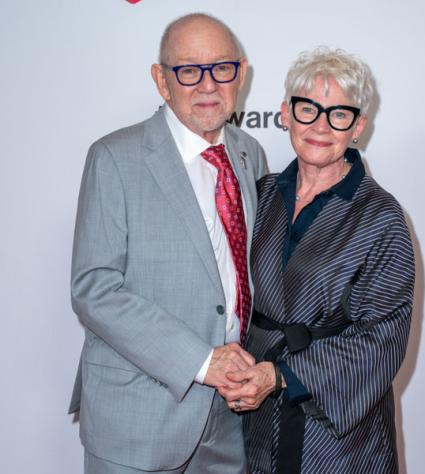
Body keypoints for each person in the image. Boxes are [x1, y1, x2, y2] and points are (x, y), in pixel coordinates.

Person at [68, 13, 267, 474]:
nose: (207, 85)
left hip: (231, 417)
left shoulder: (248, 153)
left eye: (221, 68)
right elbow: (94, 289)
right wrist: (201, 361)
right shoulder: (114, 157)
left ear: (240, 73)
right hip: (139, 418)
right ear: (162, 80)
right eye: (188, 70)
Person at [219, 48, 415, 473]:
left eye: (339, 114)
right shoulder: (260, 193)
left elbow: (382, 337)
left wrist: (281, 376)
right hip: (253, 411)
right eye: (308, 109)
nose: (321, 127)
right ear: (286, 113)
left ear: (358, 126)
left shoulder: (381, 216)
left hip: (339, 434)